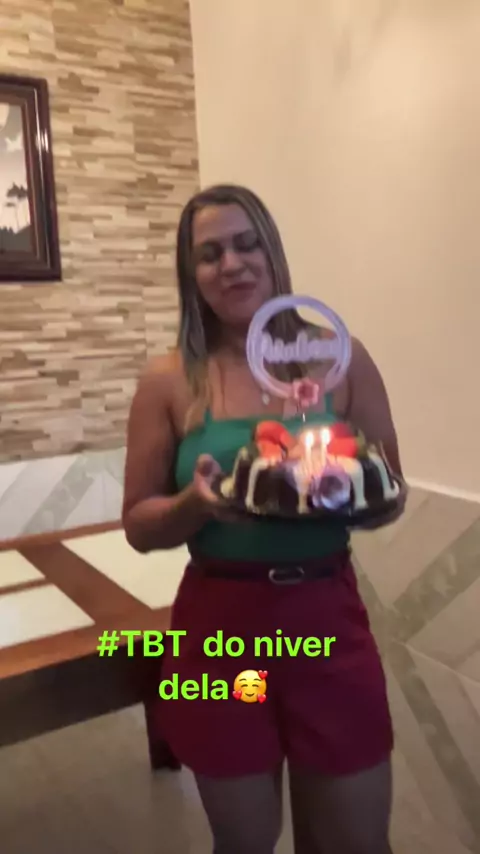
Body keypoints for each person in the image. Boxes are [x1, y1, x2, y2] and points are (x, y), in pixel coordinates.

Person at [122, 184, 404, 854]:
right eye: (209, 253)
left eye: (247, 244)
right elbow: (137, 523)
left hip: (326, 621)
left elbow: (391, 489)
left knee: (356, 841)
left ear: (273, 253)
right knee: (244, 841)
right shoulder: (168, 380)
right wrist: (193, 504)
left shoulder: (339, 359)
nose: (231, 264)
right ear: (190, 274)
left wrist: (349, 495)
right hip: (221, 631)